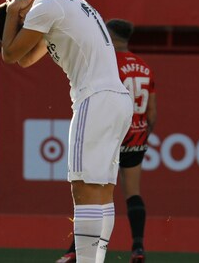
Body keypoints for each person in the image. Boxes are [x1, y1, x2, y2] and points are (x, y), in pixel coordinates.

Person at [0, 0, 132, 263]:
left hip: (95, 98)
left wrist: (13, 13)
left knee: (83, 187)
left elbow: (8, 54)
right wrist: (15, 15)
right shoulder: (54, 3)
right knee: (101, 189)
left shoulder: (45, 6)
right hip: (115, 99)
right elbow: (25, 58)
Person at [56, 19, 157, 263]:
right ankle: (138, 247)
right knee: (133, 193)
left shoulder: (109, 64)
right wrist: (142, 136)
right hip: (137, 135)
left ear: (109, 36)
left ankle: (77, 249)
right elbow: (152, 111)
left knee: (95, 189)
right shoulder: (144, 67)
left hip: (111, 132)